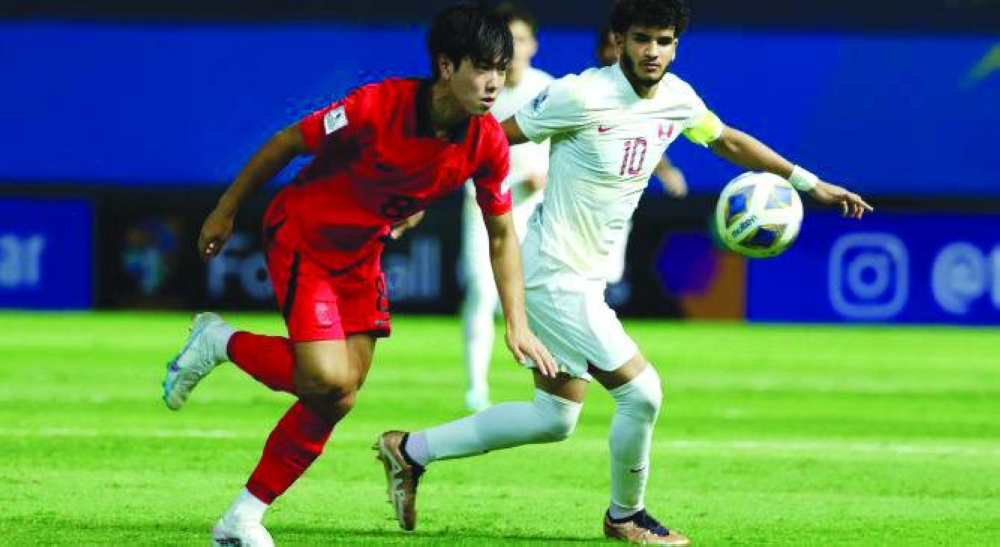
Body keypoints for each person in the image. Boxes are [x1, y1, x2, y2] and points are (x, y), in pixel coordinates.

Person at [373, 0, 872, 545]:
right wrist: (416, 195)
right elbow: (487, 140)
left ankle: (410, 450)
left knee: (554, 418)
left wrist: (806, 181)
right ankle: (626, 516)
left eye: (662, 40)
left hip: (584, 278)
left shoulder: (679, 100)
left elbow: (726, 139)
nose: (651, 51)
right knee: (643, 393)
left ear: (675, 45)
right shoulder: (579, 94)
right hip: (551, 272)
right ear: (618, 40)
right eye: (641, 39)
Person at [160, 4, 556, 546]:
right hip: (304, 237)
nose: (496, 82)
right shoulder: (375, 106)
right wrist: (226, 210)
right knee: (325, 378)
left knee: (339, 397)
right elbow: (286, 143)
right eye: (483, 67)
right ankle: (220, 340)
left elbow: (502, 234)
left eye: (502, 67)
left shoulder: (486, 142)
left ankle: (241, 518)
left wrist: (517, 322)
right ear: (446, 66)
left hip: (361, 255)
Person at [459, 3, 553, 412]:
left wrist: (547, 174)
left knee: (539, 294)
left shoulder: (550, 89)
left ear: (533, 44)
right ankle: (476, 387)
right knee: (482, 291)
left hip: (536, 207)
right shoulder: (480, 90)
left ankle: (550, 382)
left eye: (519, 39)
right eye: (506, 40)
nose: (513, 49)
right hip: (483, 204)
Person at [596, 25, 686, 285]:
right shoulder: (582, 96)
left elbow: (639, 142)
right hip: (569, 217)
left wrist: (666, 169)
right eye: (612, 46)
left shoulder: (648, 99)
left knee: (606, 282)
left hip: (614, 212)